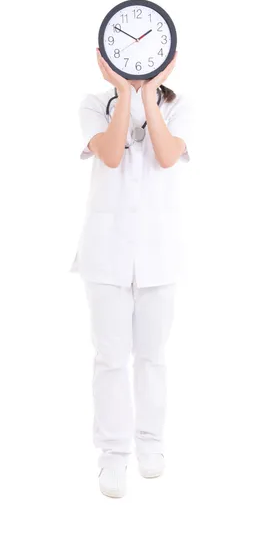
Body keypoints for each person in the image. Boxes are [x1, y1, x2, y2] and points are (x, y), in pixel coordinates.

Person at [70, 48, 191, 497]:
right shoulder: (92, 104)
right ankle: (113, 455)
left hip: (159, 253)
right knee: (110, 357)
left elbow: (165, 155)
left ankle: (150, 444)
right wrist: (124, 94)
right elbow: (112, 156)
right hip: (106, 252)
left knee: (153, 355)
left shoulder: (180, 106)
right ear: (109, 57)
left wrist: (151, 95)